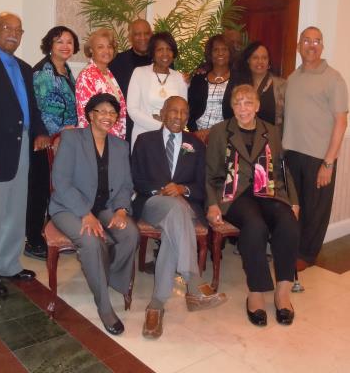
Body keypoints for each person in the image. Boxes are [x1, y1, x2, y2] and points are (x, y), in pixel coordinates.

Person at [131, 96, 227, 339]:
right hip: (152, 203)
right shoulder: (144, 140)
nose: (178, 116)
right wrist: (164, 189)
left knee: (176, 219)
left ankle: (156, 305)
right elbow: (137, 179)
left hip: (184, 205)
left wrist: (183, 190)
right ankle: (193, 284)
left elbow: (201, 184)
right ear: (163, 113)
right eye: (173, 111)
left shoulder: (196, 144)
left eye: (184, 112)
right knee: (176, 209)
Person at [206, 84, 300, 326]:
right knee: (254, 225)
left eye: (248, 103)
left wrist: (294, 201)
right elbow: (210, 173)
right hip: (235, 195)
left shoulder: (271, 131)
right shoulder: (219, 132)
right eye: (237, 103)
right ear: (232, 106)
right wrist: (212, 204)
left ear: (257, 106)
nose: (242, 108)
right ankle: (256, 292)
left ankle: (283, 292)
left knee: (288, 222)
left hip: (268, 191)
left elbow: (281, 168)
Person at [49, 93, 139, 335]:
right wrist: (84, 213)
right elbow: (61, 181)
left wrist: (121, 209)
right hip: (69, 207)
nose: (108, 117)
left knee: (130, 232)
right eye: (102, 111)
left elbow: (125, 185)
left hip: (106, 206)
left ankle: (106, 277)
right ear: (91, 114)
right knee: (90, 240)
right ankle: (104, 305)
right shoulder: (71, 138)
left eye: (113, 113)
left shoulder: (120, 146)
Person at [0, 12, 49, 296]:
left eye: (18, 30)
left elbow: (32, 108)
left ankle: (9, 264)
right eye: (6, 28)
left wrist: (41, 131)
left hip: (22, 147)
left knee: (14, 210)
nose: (13, 33)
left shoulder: (24, 68)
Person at [283, 26, 348, 271]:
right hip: (292, 154)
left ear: (322, 46)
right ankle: (292, 248)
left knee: (315, 209)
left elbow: (341, 122)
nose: (311, 45)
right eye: (306, 41)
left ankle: (307, 255)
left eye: (317, 41)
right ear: (299, 46)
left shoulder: (333, 78)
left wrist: (328, 163)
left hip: (319, 157)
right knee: (293, 207)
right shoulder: (293, 77)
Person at [25, 25, 79, 260]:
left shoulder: (65, 69)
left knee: (55, 190)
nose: (65, 46)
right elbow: (42, 111)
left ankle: (49, 236)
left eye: (69, 41)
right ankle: (33, 241)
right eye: (59, 41)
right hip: (46, 142)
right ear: (50, 45)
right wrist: (59, 133)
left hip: (63, 144)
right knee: (39, 191)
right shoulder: (44, 72)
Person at [127, 32, 187, 148]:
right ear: (153, 53)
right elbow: (133, 110)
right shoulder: (139, 73)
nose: (165, 53)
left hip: (170, 138)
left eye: (169, 49)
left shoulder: (180, 78)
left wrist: (169, 128)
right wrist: (162, 126)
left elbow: (183, 111)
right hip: (143, 135)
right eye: (160, 49)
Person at [76, 28, 126, 138]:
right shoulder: (87, 75)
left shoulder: (108, 74)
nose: (106, 51)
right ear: (91, 50)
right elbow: (86, 115)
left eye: (109, 46)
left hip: (114, 138)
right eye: (100, 47)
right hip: (96, 140)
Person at [109, 19, 152, 143]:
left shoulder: (163, 61)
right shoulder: (116, 62)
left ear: (152, 35)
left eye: (146, 33)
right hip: (126, 127)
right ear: (130, 37)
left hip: (154, 126)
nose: (142, 37)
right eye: (137, 34)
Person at [188, 34, 238, 132]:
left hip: (225, 136)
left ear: (230, 53)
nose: (220, 53)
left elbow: (239, 113)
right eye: (216, 50)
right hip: (197, 134)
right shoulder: (198, 78)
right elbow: (190, 109)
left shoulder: (238, 81)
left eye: (224, 49)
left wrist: (214, 133)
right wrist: (195, 132)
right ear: (210, 54)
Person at [237, 41, 286, 131]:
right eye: (255, 57)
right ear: (248, 60)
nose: (260, 61)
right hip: (244, 138)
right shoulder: (240, 85)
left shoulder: (282, 86)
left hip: (272, 140)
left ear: (268, 61)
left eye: (264, 58)